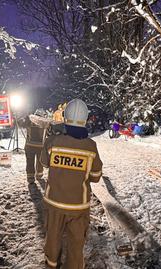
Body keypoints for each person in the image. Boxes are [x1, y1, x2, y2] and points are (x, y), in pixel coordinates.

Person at [40, 99, 103, 268]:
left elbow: (44, 163)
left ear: (65, 118)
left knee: (53, 238)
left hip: (54, 202)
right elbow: (96, 176)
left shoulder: (53, 142)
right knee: (76, 244)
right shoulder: (91, 146)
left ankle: (51, 264)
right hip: (78, 206)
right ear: (85, 120)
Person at [23, 114, 46, 183]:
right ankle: (39, 175)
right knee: (40, 161)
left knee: (30, 161)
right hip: (40, 146)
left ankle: (30, 178)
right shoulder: (44, 123)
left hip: (29, 145)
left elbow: (22, 124)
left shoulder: (29, 121)